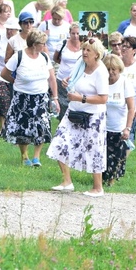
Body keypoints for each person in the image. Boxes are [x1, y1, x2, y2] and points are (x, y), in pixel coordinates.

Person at [48, 38, 109, 197]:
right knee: (59, 142)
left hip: (93, 116)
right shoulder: (80, 65)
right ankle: (67, 181)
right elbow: (73, 80)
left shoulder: (101, 71)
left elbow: (103, 98)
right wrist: (68, 82)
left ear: (97, 54)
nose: (84, 52)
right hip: (74, 112)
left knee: (94, 150)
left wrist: (81, 98)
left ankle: (98, 187)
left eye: (89, 50)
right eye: (84, 49)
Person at [1, 30, 58, 167]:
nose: (45, 46)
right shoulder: (19, 56)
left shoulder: (44, 57)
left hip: (41, 97)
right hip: (22, 98)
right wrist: (16, 82)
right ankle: (24, 155)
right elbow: (4, 74)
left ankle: (36, 157)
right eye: (42, 44)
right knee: (23, 128)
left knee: (42, 126)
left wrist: (55, 97)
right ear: (34, 44)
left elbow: (51, 78)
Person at [102, 54, 135, 186]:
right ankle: (101, 179)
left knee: (116, 157)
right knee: (102, 156)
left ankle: (112, 180)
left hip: (118, 127)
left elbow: (131, 108)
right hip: (103, 126)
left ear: (119, 69)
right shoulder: (102, 82)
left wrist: (127, 128)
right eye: (108, 69)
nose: (110, 72)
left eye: (113, 69)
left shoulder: (124, 83)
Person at [54, 23, 83, 121]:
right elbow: (56, 58)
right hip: (62, 79)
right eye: (73, 33)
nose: (75, 36)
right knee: (63, 105)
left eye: (78, 33)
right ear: (69, 33)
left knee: (76, 104)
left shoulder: (84, 45)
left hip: (77, 80)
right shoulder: (62, 44)